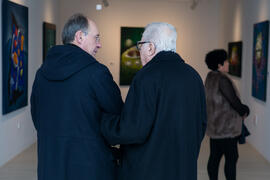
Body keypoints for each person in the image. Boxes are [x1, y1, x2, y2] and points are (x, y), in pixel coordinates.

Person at [101, 22, 207, 180]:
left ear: (150, 47)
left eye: (140, 45)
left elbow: (133, 130)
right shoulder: (194, 76)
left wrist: (104, 122)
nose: (139, 51)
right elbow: (201, 124)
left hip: (148, 170)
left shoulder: (146, 77)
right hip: (183, 169)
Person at [30, 13, 123, 180]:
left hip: (50, 166)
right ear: (80, 37)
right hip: (90, 167)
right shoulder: (96, 73)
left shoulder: (41, 73)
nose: (99, 44)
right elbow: (118, 114)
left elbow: (37, 117)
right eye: (96, 38)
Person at [204, 49, 250, 180]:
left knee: (214, 157)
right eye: (226, 61)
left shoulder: (210, 77)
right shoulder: (222, 80)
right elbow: (234, 101)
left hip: (215, 127)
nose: (228, 63)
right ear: (219, 64)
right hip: (226, 128)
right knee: (231, 158)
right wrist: (245, 110)